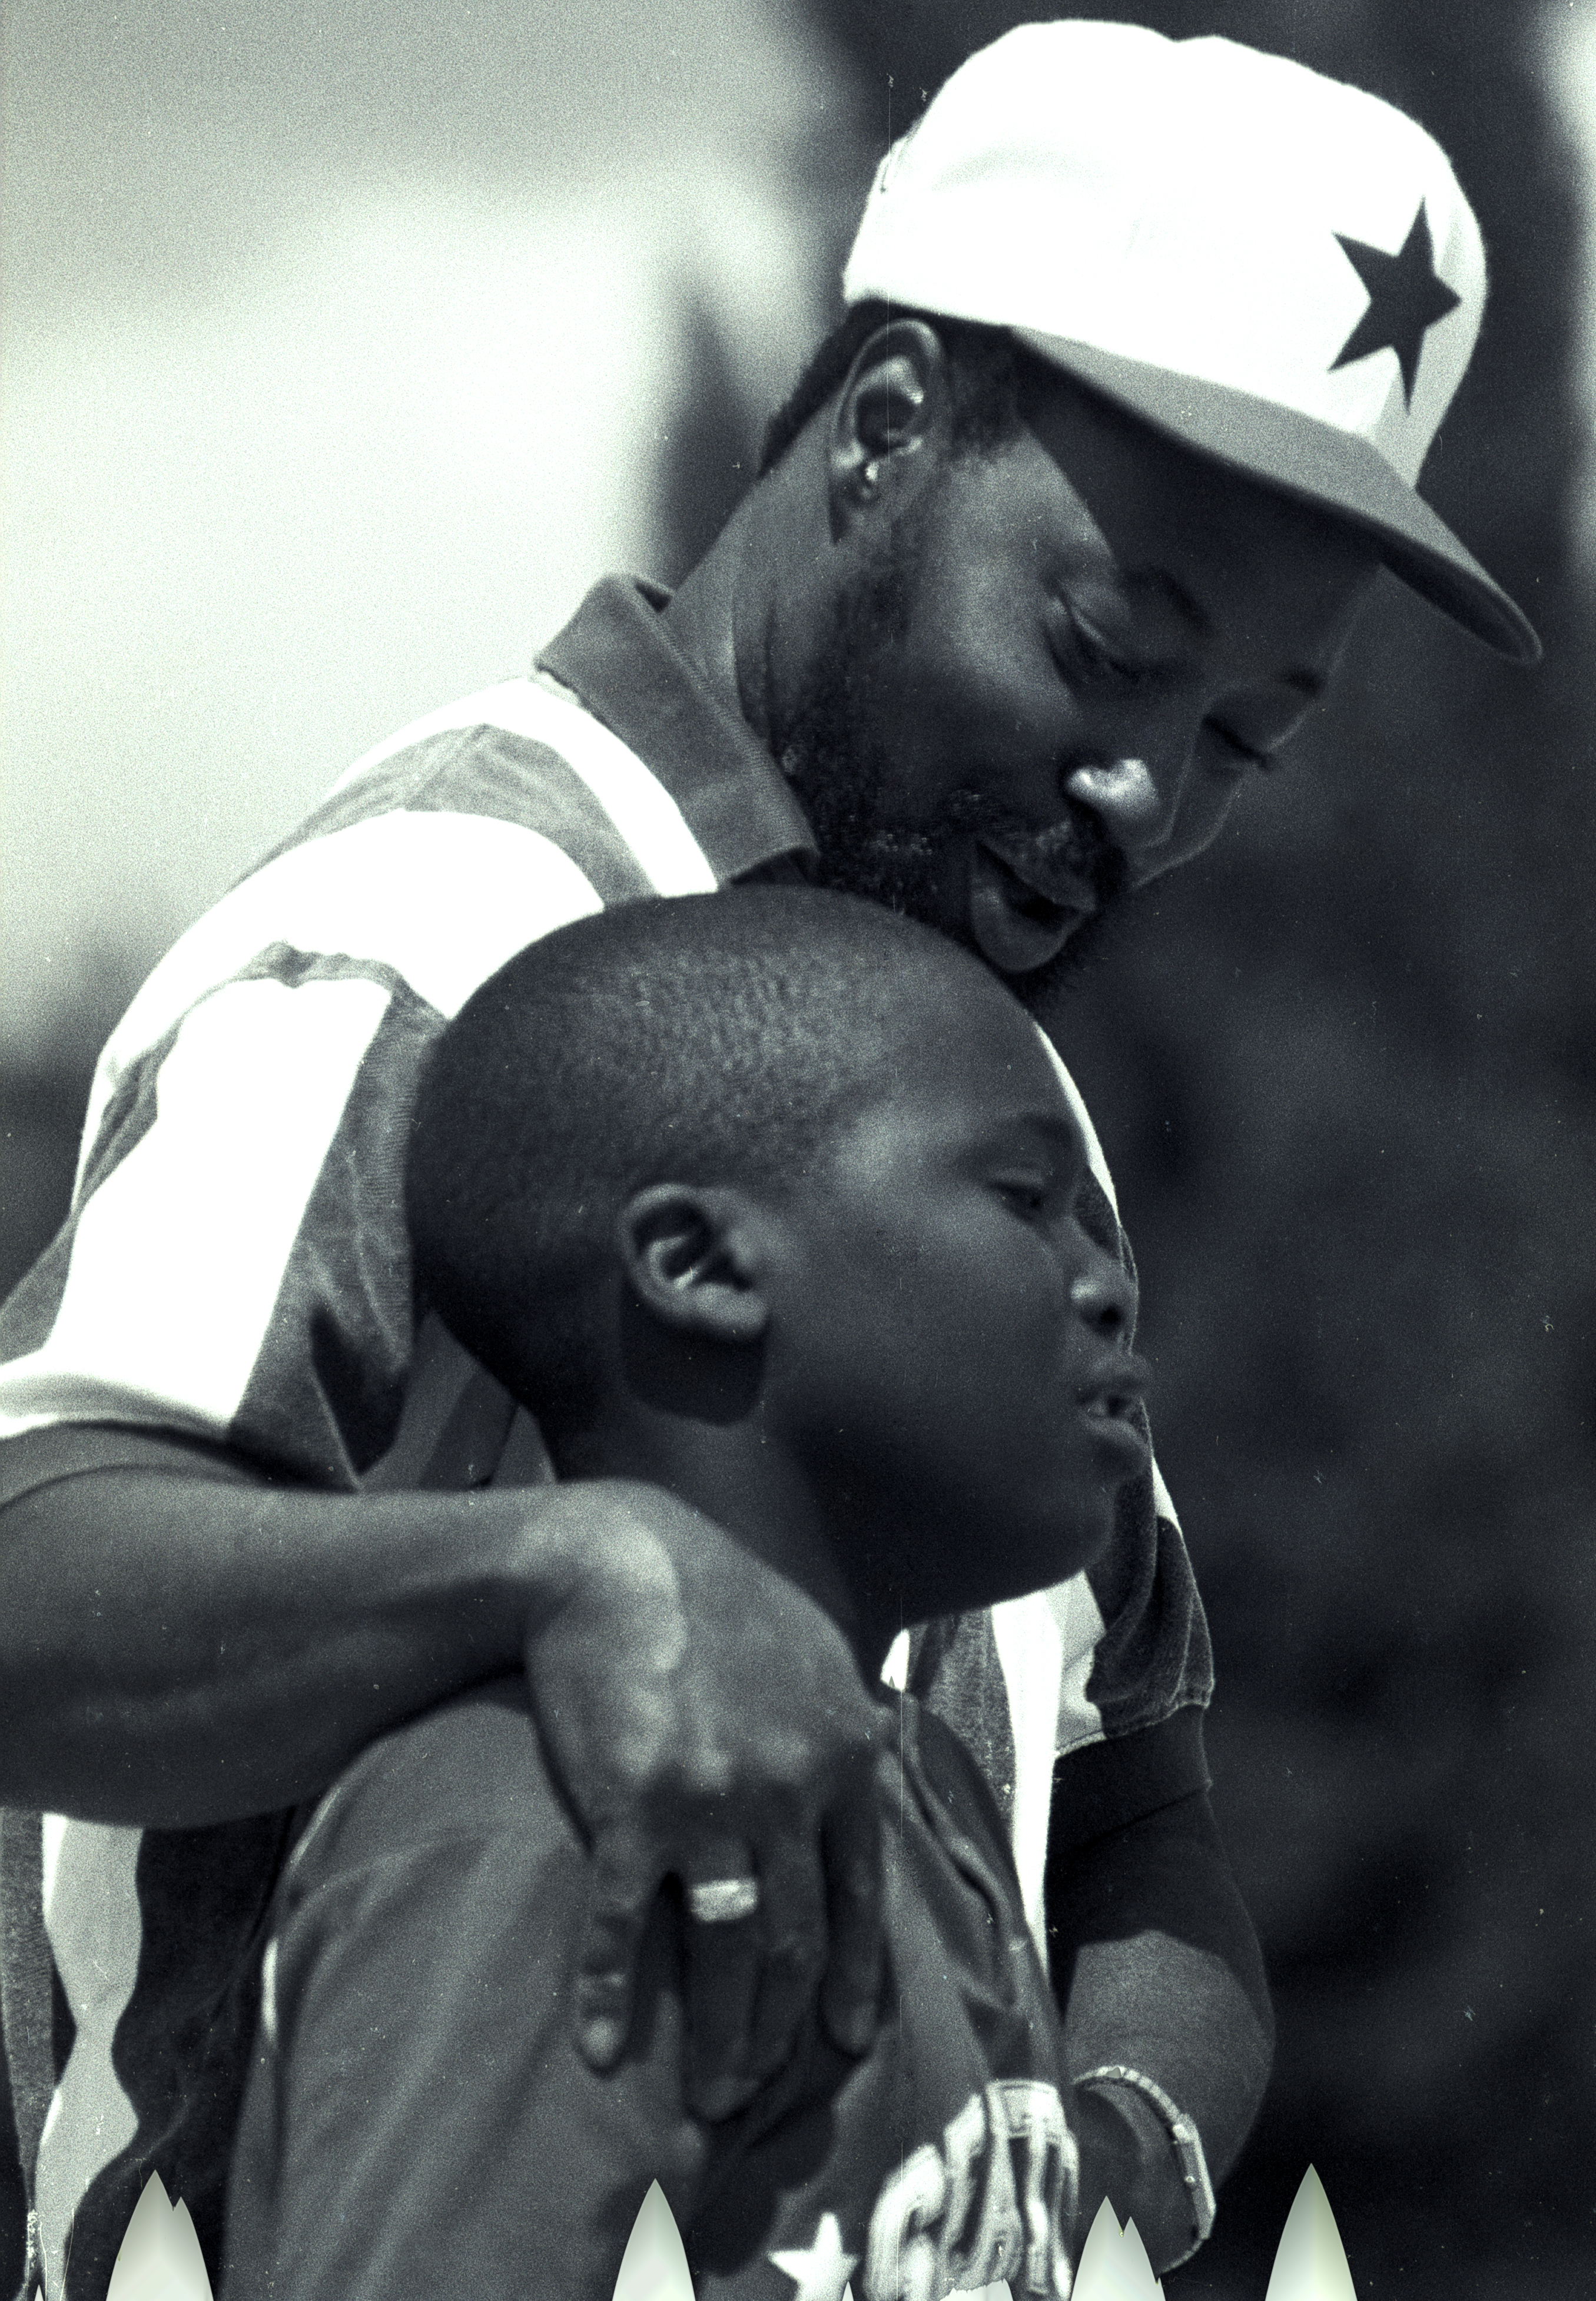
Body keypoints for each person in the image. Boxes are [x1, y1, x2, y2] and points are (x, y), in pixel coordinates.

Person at [0, 18, 1537, 2301]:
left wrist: (1103, 2153)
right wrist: (559, 1573)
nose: (1150, 795)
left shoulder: (972, 1085)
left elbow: (1135, 1810)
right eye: (1109, 647)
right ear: (891, 426)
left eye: (1243, 740)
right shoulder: (429, 928)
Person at [223, 886, 1160, 2301]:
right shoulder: (540, 1819)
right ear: (698, 1265)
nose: (1110, 1286)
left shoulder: (929, 1788)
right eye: (1030, 1202)